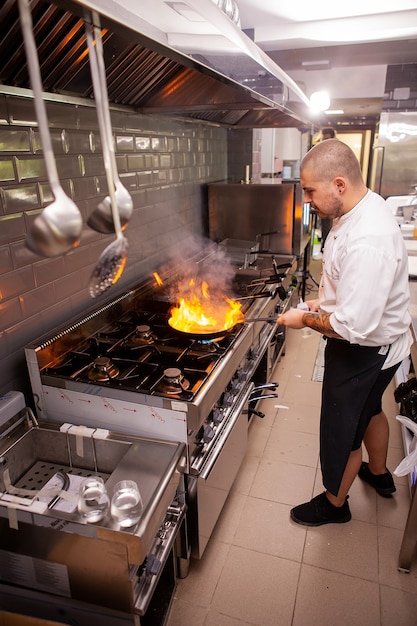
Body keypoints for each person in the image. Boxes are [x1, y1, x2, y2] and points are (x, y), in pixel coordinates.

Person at [276, 139, 412, 527]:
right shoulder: (358, 207)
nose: (306, 201)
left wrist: (301, 320)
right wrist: (323, 304)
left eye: (309, 191)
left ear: (338, 184)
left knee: (343, 428)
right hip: (380, 345)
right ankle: (379, 473)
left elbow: (352, 326)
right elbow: (352, 291)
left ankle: (335, 505)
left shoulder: (369, 240)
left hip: (364, 351)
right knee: (371, 410)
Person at [319, 128, 336, 252]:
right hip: (322, 194)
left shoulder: (337, 154)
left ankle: (329, 248)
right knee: (325, 225)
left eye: (328, 138)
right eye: (324, 139)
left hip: (332, 195)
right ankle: (325, 248)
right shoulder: (319, 153)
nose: (326, 141)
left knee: (331, 225)